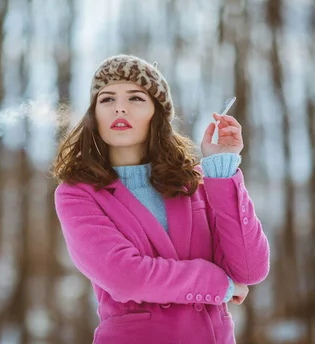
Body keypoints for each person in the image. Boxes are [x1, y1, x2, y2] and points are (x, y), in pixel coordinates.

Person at [51, 54, 270, 343]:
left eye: (135, 98)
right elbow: (125, 276)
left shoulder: (194, 181)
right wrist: (217, 284)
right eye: (106, 99)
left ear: (157, 112)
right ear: (95, 115)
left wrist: (222, 167)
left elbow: (250, 269)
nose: (119, 108)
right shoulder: (77, 194)